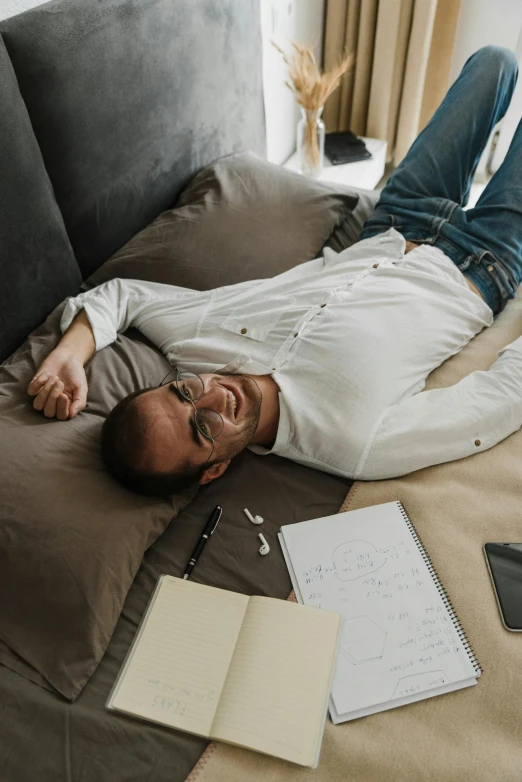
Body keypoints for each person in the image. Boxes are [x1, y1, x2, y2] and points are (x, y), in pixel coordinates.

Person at [28, 46, 522, 496]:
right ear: (213, 470)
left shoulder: (191, 344)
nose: (215, 398)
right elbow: (496, 401)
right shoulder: (352, 443)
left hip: (400, 217)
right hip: (484, 263)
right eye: (202, 429)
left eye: (184, 393)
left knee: (494, 62)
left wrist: (68, 355)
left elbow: (123, 296)